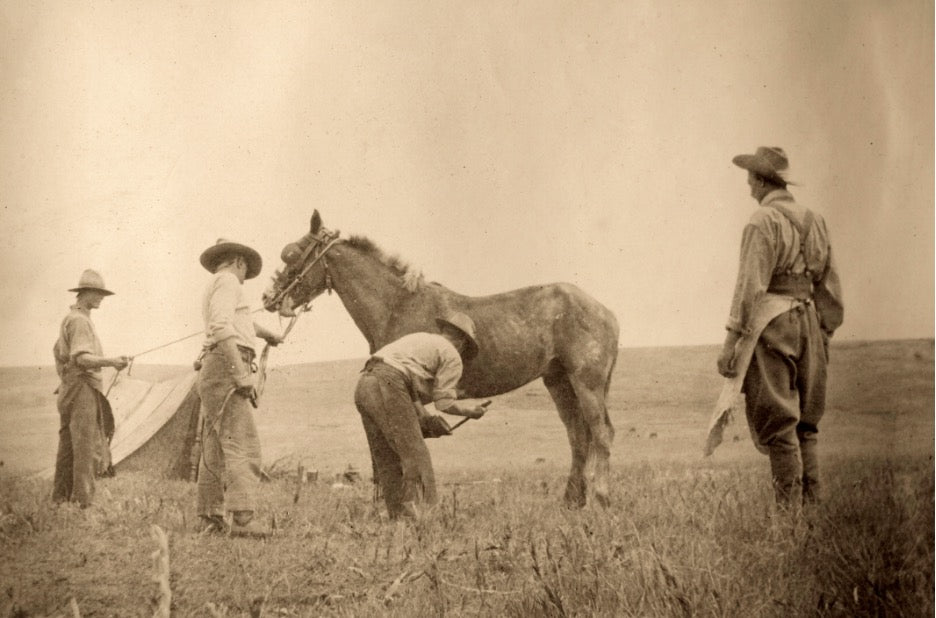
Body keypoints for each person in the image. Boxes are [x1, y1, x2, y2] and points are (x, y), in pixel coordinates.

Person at [717, 146, 844, 509]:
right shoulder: (815, 220)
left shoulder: (761, 222)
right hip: (810, 324)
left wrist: (731, 343)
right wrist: (823, 334)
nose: (748, 187)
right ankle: (812, 513)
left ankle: (788, 521)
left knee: (779, 421)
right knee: (807, 424)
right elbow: (830, 288)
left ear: (760, 181)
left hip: (774, 326)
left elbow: (749, 287)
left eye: (750, 179)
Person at [354, 312, 490, 519]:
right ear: (463, 342)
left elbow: (407, 386)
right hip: (389, 384)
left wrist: (423, 417)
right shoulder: (452, 355)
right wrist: (470, 411)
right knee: (417, 457)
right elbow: (444, 402)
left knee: (387, 458)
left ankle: (399, 519)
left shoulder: (420, 339)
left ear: (445, 331)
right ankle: (426, 518)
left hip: (364, 384)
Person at [196, 239, 283, 537]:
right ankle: (244, 520)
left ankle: (210, 516)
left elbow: (237, 321)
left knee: (216, 446)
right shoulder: (229, 282)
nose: (246, 276)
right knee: (243, 442)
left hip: (215, 367)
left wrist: (268, 334)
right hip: (227, 365)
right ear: (239, 262)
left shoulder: (219, 283)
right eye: (246, 270)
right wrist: (240, 374)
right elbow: (221, 327)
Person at [52, 269, 130, 507]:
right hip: (82, 388)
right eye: (98, 293)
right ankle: (83, 503)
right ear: (84, 293)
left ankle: (60, 499)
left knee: (68, 447)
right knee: (85, 448)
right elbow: (82, 358)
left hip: (70, 388)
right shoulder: (80, 321)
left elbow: (59, 353)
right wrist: (112, 361)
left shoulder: (71, 318)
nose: (101, 298)